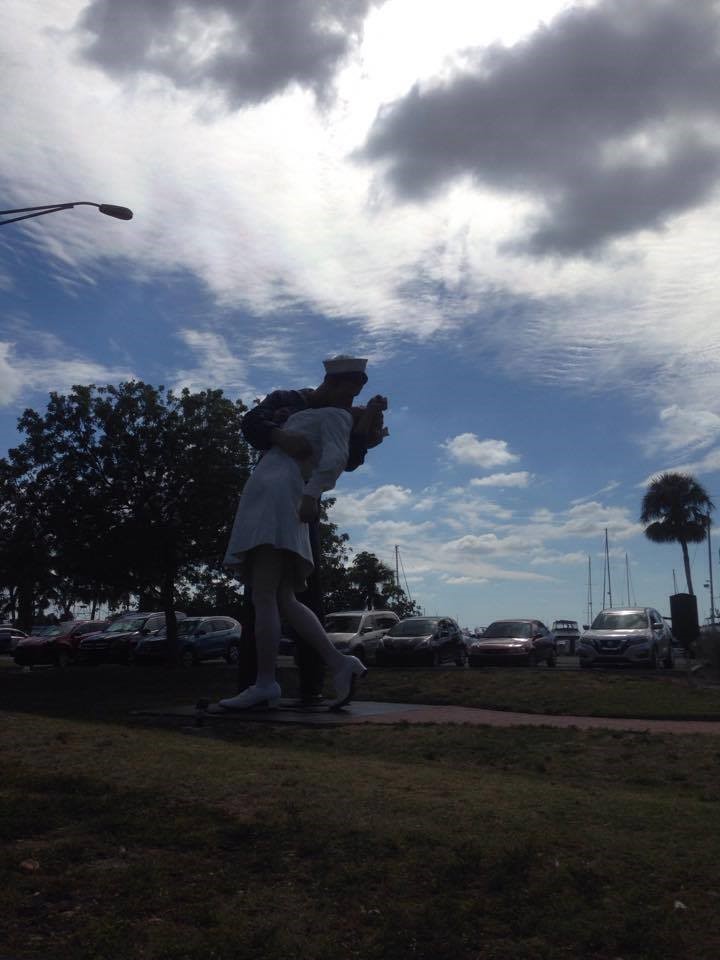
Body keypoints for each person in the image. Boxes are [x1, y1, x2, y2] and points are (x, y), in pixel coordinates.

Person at [219, 358, 386, 711]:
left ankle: (268, 682)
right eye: (349, 391)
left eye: (355, 396)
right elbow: (253, 422)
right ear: (332, 383)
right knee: (282, 597)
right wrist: (284, 438)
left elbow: (341, 459)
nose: (351, 400)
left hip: (281, 499)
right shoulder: (298, 403)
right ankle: (336, 663)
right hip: (274, 496)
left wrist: (311, 494)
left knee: (267, 595)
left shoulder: (335, 416)